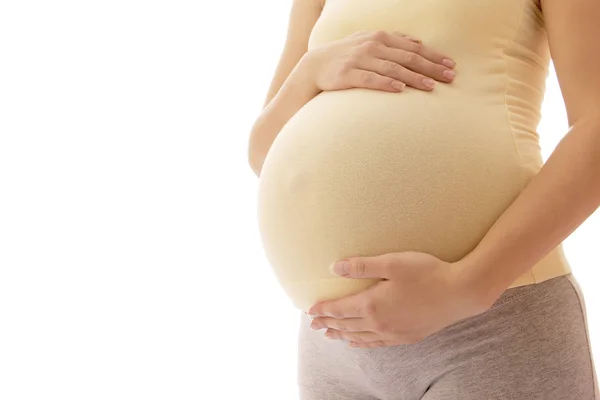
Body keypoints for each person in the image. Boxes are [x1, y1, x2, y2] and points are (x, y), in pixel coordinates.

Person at [247, 0, 600, 398]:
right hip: (334, 340)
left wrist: (471, 285)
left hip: (489, 322)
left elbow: (596, 127)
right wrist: (311, 71)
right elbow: (263, 152)